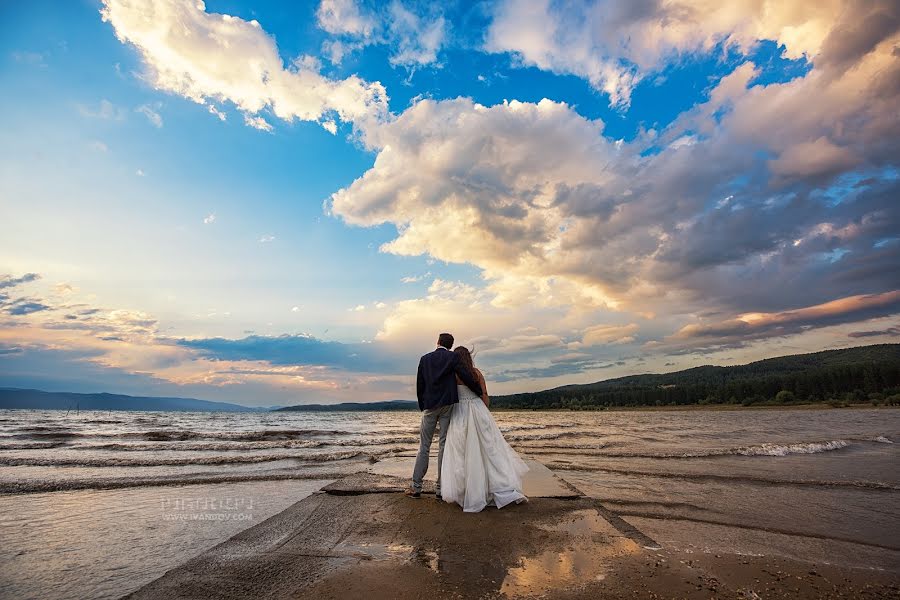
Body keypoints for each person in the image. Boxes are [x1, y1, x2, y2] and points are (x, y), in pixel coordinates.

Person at [440, 346, 529, 512]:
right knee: (488, 451)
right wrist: (485, 412)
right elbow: (484, 394)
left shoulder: (453, 374)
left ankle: (467, 491)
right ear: (469, 357)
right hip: (478, 409)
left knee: (462, 451)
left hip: (461, 412)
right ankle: (495, 487)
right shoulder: (476, 373)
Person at [407, 332, 482, 500]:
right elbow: (466, 376)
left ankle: (416, 486)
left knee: (424, 446)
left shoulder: (425, 359)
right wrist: (478, 391)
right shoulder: (452, 358)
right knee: (443, 446)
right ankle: (440, 489)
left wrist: (422, 404)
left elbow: (420, 384)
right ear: (450, 345)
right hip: (447, 405)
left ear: (438, 342)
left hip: (430, 406)